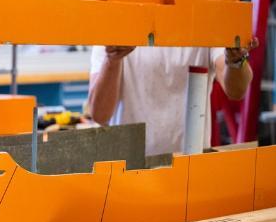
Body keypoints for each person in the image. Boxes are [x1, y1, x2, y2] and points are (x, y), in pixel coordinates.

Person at [86, 41, 256, 156]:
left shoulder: (203, 21)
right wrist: (112, 60)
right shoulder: (117, 26)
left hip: (189, 165)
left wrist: (235, 61)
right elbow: (100, 115)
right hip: (129, 167)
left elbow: (236, 91)